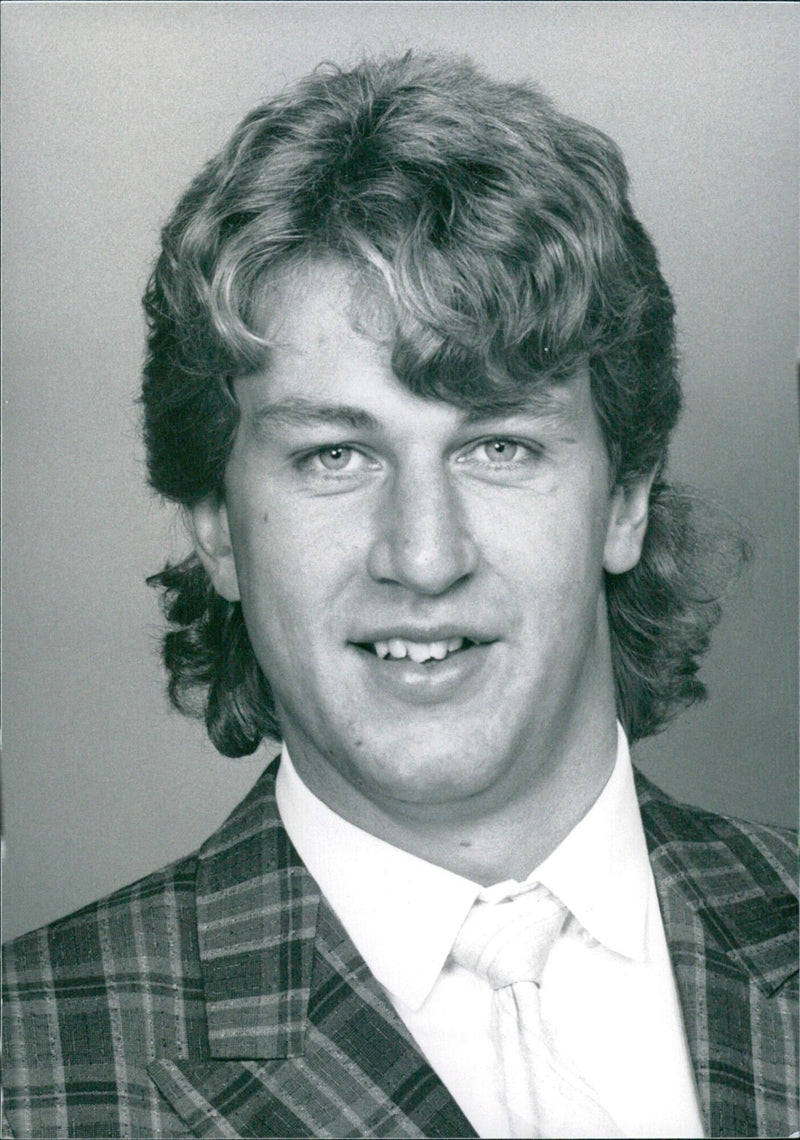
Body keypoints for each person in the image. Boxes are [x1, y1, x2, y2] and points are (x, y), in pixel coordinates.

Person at [2, 53, 797, 1140]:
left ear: (624, 501)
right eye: (334, 455)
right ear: (214, 529)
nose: (422, 558)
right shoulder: (28, 1069)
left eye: (499, 445)